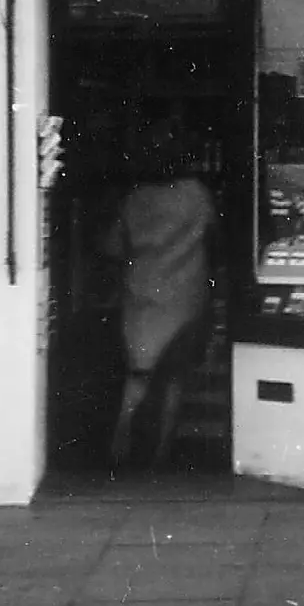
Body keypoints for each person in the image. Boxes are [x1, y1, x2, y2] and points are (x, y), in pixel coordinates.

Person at [100, 112, 216, 470]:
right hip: (185, 297)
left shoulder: (135, 199)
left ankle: (120, 439)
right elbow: (214, 237)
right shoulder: (197, 195)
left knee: (138, 374)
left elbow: (112, 247)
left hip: (142, 295)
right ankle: (162, 451)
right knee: (175, 379)